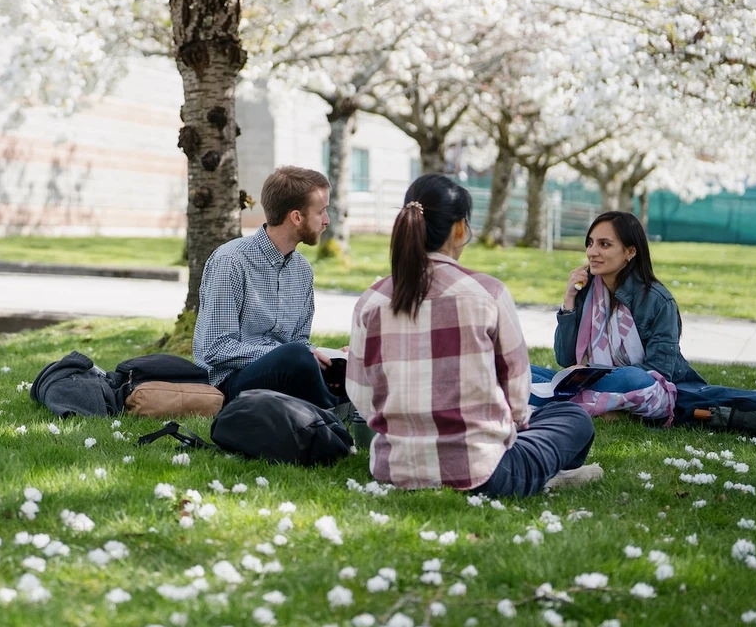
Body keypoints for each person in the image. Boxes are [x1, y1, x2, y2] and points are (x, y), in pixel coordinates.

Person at [347, 174, 601, 496]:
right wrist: (509, 426)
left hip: (395, 470)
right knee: (573, 418)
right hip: (484, 473)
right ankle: (546, 476)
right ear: (458, 229)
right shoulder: (487, 293)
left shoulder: (370, 301)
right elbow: (517, 397)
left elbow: (360, 394)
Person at [533, 212, 703, 423]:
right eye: (590, 243)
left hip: (646, 391)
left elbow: (659, 372)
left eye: (604, 244)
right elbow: (565, 359)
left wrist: (590, 372)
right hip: (590, 383)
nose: (592, 252)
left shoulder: (658, 301)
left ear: (630, 252)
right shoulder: (586, 290)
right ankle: (598, 406)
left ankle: (551, 400)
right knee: (521, 372)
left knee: (632, 377)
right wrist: (569, 300)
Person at [193, 166, 339, 409]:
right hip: (229, 382)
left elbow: (300, 341)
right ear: (296, 217)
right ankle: (332, 414)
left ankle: (347, 408)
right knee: (295, 356)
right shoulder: (230, 261)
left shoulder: (303, 270)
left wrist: (328, 356)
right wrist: (282, 355)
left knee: (345, 365)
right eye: (321, 211)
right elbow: (215, 348)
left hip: (286, 370)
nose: (327, 221)